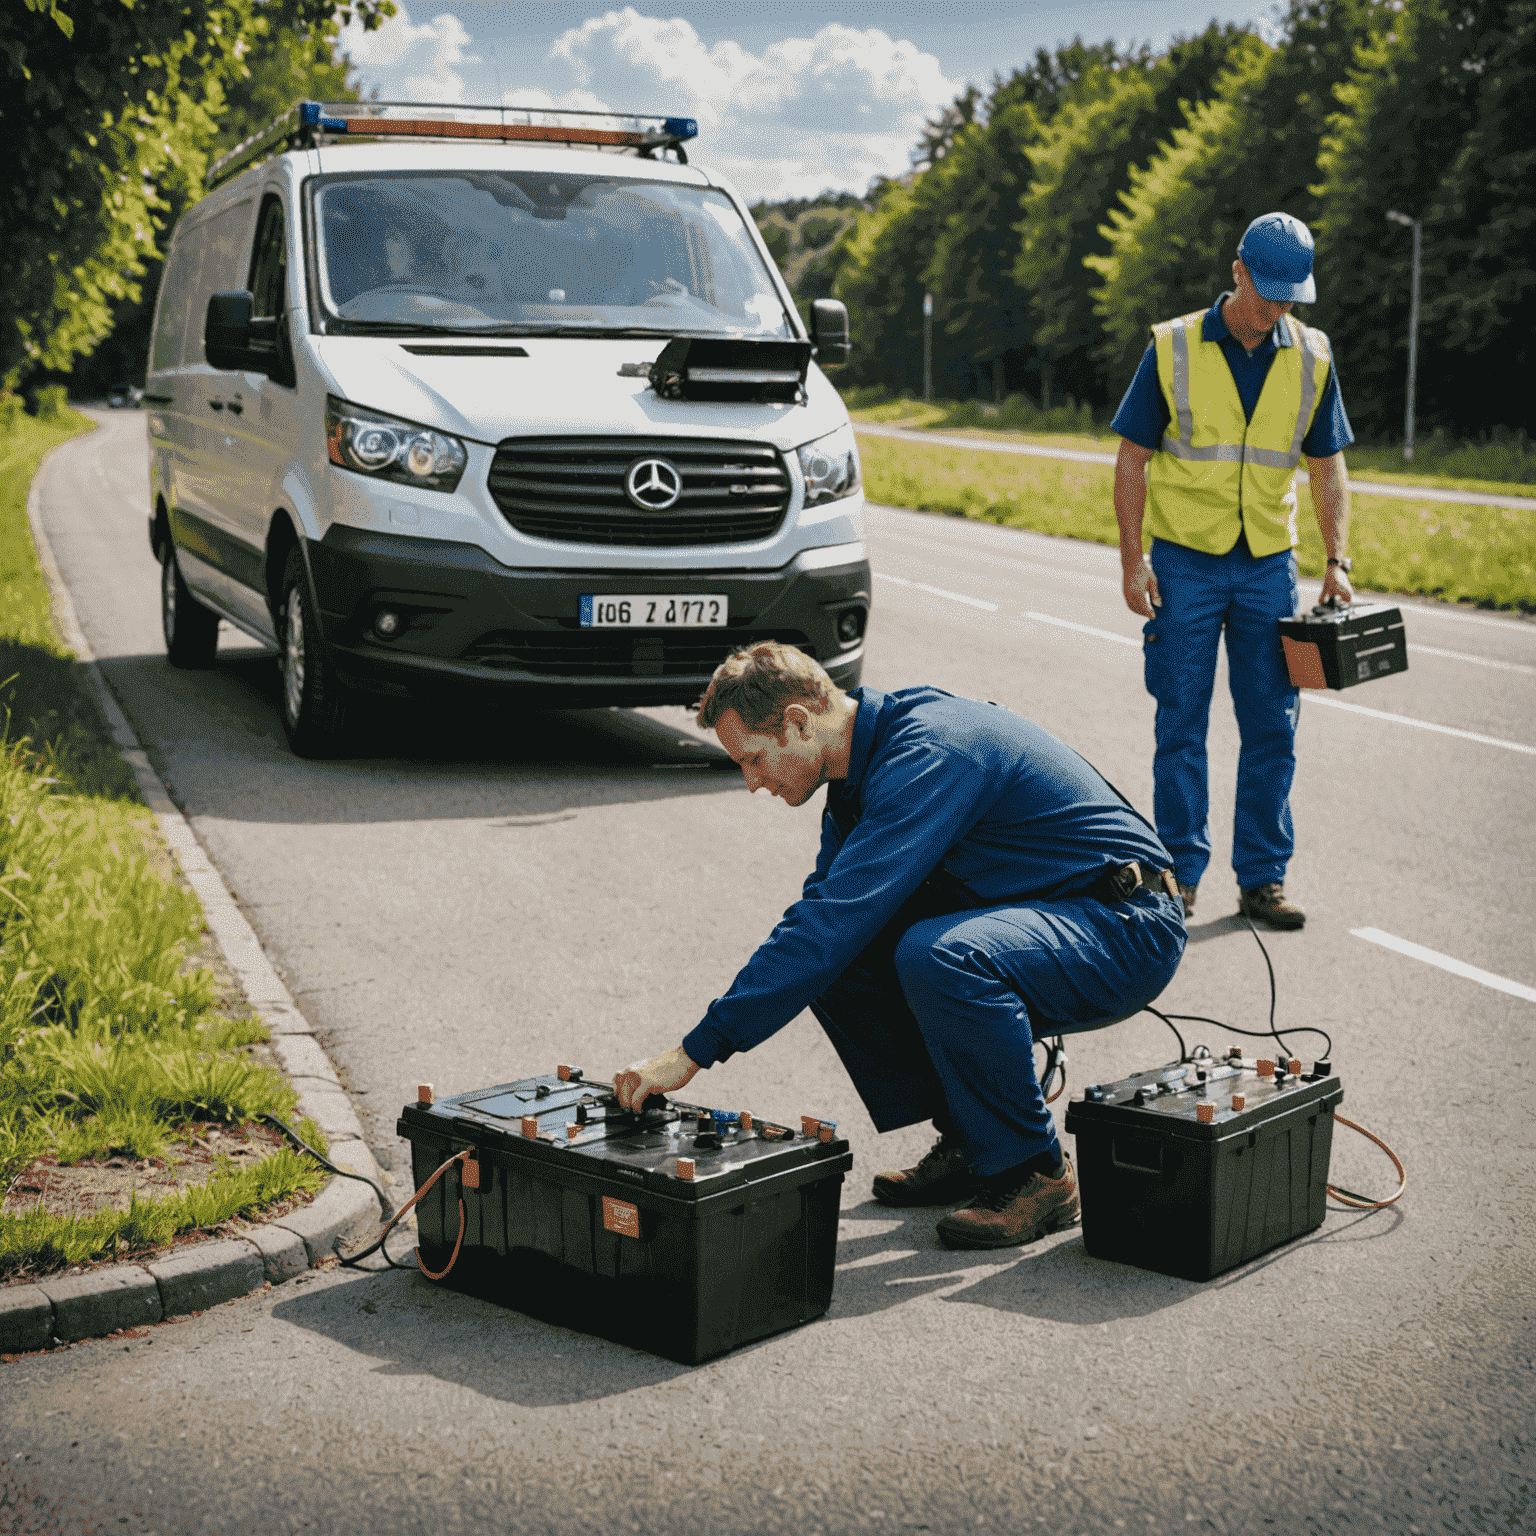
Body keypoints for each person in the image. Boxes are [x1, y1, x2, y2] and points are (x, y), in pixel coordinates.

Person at [613, 642, 1186, 1250]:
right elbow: (819, 925)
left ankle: (1034, 1172)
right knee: (842, 959)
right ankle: (975, 1140)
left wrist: (695, 1051)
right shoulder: (857, 775)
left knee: (938, 956)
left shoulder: (929, 753)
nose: (754, 783)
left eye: (754, 760)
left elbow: (831, 921)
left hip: (1126, 925)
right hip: (1051, 914)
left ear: (798, 723)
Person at [1111, 211, 1356, 931]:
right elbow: (1132, 458)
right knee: (1181, 724)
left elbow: (1327, 464)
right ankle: (1180, 879)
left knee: (1273, 726)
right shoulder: (1174, 347)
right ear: (1236, 270)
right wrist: (1134, 564)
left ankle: (1263, 879)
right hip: (1185, 565)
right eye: (1266, 291)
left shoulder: (1311, 356)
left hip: (1267, 569)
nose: (1275, 307)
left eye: (1289, 295)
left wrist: (1337, 558)